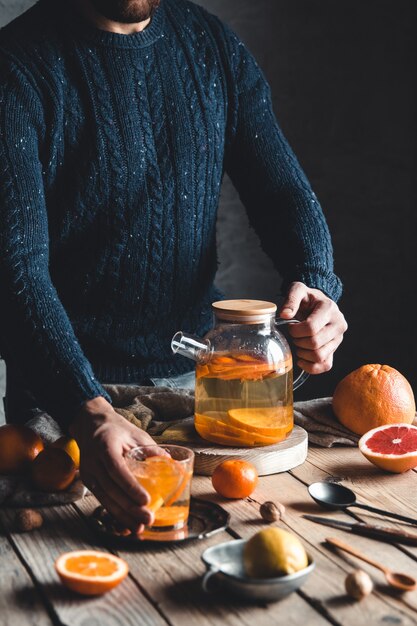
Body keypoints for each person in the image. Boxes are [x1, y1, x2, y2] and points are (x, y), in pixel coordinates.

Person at [0, 0, 347, 531]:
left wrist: (316, 280)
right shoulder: (14, 68)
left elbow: (281, 192)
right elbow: (16, 271)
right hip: (66, 402)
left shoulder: (212, 47)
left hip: (199, 388)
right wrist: (88, 412)